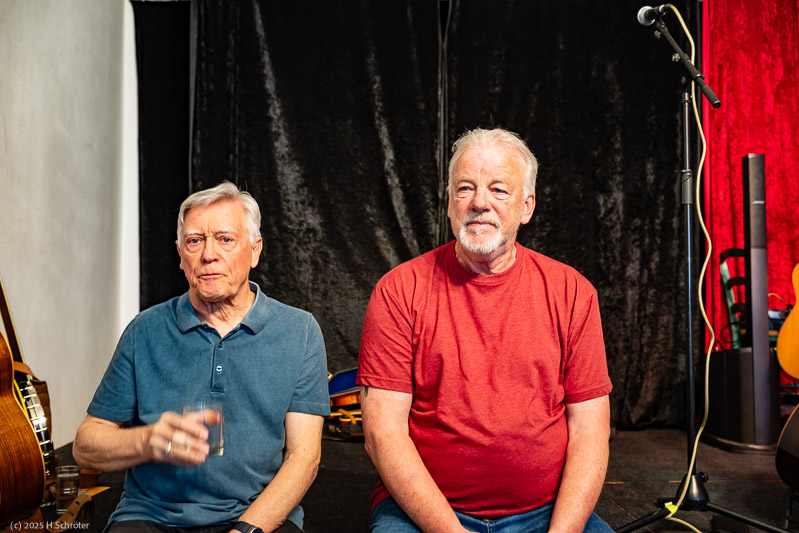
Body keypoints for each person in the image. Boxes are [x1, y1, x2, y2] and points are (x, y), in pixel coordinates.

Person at [357, 128, 614, 533]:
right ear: (449, 204)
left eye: (498, 189)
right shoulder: (399, 291)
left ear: (526, 206)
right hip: (423, 513)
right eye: (465, 188)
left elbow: (590, 433)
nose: (479, 202)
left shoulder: (572, 293)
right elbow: (382, 434)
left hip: (547, 513)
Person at [73, 182, 330, 533]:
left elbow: (305, 457)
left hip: (256, 516)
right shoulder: (144, 331)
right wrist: (147, 440)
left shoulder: (299, 331)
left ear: (255, 250)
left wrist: (245, 530)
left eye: (225, 239)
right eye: (195, 241)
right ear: (181, 255)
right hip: (152, 516)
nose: (209, 254)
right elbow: (85, 447)